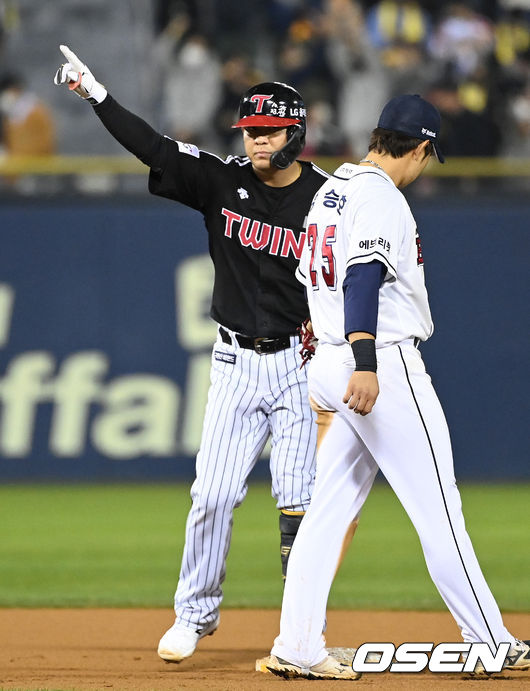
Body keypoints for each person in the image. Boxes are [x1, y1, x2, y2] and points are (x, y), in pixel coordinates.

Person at [54, 46, 328, 663]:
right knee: (212, 495)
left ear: (296, 133)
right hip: (235, 361)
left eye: (268, 131)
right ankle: (193, 614)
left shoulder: (329, 199)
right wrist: (97, 96)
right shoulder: (221, 178)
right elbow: (154, 148)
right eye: (250, 131)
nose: (256, 141)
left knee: (301, 507)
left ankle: (304, 632)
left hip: (301, 366)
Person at [257, 93, 530, 680]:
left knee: (327, 512)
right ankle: (489, 638)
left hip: (330, 359)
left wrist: (333, 352)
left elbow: (310, 278)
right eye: (431, 156)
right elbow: (363, 277)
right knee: (439, 506)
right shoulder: (383, 200)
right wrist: (363, 361)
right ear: (424, 147)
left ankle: (297, 645)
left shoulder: (331, 192)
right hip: (376, 363)